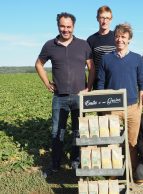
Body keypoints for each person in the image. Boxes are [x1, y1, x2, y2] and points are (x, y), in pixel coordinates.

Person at [35, 12, 95, 175]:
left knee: (78, 130)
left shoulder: (83, 45)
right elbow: (38, 64)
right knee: (57, 131)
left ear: (73, 27)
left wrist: (88, 87)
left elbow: (92, 67)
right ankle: (55, 164)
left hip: (79, 96)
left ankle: (75, 161)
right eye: (62, 26)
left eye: (69, 26)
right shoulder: (50, 45)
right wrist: (47, 83)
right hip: (59, 97)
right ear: (58, 26)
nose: (65, 29)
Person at [96, 23, 143, 171]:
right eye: (117, 36)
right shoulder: (106, 59)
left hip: (132, 108)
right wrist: (102, 106)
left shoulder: (137, 59)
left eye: (123, 37)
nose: (120, 40)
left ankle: (132, 172)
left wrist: (140, 105)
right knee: (113, 143)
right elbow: (100, 83)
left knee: (132, 142)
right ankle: (114, 173)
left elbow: (142, 83)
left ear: (129, 39)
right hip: (112, 107)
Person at [87, 5, 115, 89]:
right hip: (98, 84)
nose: (104, 21)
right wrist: (89, 87)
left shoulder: (117, 37)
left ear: (111, 19)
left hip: (115, 82)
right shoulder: (91, 40)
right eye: (102, 18)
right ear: (97, 18)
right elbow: (90, 66)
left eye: (107, 18)